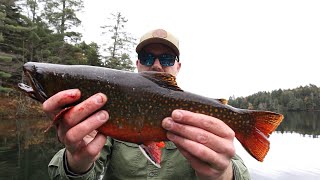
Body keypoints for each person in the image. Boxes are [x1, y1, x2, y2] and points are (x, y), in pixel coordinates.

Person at [46, 28, 250, 180]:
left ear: (178, 67)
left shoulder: (200, 115)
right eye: (147, 57)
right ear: (137, 64)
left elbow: (240, 173)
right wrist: (76, 163)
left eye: (167, 59)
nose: (156, 65)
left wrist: (223, 173)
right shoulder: (110, 109)